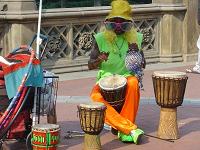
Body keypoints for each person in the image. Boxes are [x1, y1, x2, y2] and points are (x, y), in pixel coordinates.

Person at [88, 0, 146, 144]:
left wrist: (135, 53)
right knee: (95, 97)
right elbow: (90, 65)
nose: (118, 28)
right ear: (108, 22)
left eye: (123, 24)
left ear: (129, 24)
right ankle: (128, 129)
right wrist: (99, 60)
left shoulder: (136, 38)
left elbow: (143, 65)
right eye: (114, 24)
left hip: (127, 77)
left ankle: (123, 129)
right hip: (105, 80)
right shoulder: (100, 38)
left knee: (133, 83)